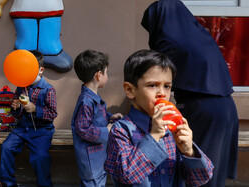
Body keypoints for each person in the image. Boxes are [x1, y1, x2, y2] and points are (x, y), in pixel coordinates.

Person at [141, 0, 239, 186]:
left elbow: (157, 80)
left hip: (203, 110)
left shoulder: (170, 43)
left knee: (199, 173)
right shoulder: (199, 36)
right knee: (212, 173)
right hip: (225, 108)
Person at [104, 49, 214, 186]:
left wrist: (189, 152)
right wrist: (154, 135)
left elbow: (200, 179)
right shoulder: (121, 131)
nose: (162, 93)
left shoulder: (171, 128)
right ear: (130, 90)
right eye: (152, 85)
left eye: (167, 86)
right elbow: (127, 175)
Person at [0, 50, 58, 187]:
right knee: (7, 147)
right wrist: (16, 107)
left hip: (41, 131)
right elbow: (15, 113)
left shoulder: (48, 90)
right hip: (22, 128)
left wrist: (36, 108)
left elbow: (52, 114)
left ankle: (44, 184)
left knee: (40, 157)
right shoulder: (21, 87)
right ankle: (7, 182)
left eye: (30, 70)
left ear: (41, 70)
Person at [71, 49, 123, 187]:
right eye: (107, 72)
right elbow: (83, 129)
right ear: (99, 75)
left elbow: (97, 116)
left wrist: (110, 116)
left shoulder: (92, 97)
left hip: (98, 157)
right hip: (91, 161)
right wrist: (107, 130)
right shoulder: (86, 101)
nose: (107, 75)